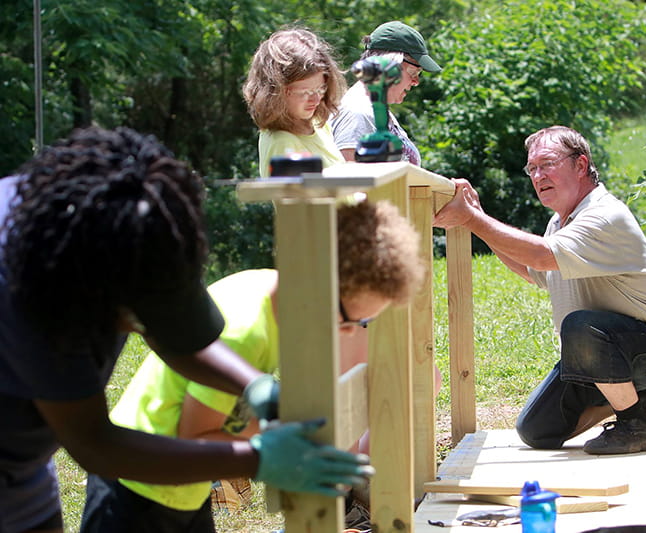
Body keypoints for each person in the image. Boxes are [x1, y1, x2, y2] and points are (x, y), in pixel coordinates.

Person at [0, 127, 372, 533]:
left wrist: (256, 389)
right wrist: (257, 459)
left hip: (25, 473)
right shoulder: (33, 288)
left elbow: (182, 339)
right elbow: (93, 444)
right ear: (100, 292)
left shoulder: (138, 226)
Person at [79, 199, 424, 532]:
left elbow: (233, 414)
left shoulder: (269, 292)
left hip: (180, 488)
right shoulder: (245, 331)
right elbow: (196, 433)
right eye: (350, 320)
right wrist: (277, 446)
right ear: (317, 285)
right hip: (139, 490)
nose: (350, 333)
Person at [433, 125, 646, 455]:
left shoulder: (604, 214)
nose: (538, 175)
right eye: (532, 168)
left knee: (580, 327)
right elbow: (532, 269)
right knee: (536, 431)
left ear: (580, 165)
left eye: (547, 164)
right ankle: (643, 401)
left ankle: (636, 422)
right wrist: (478, 217)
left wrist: (471, 219)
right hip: (600, 349)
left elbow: (541, 256)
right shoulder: (560, 223)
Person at [330, 20, 442, 165]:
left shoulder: (376, 110)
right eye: (413, 72)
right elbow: (350, 182)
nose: (416, 81)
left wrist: (448, 186)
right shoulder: (357, 112)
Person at [242, 28, 348, 177]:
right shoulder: (282, 142)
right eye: (305, 92)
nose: (316, 99)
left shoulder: (318, 125)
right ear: (275, 93)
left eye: (320, 89)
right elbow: (294, 200)